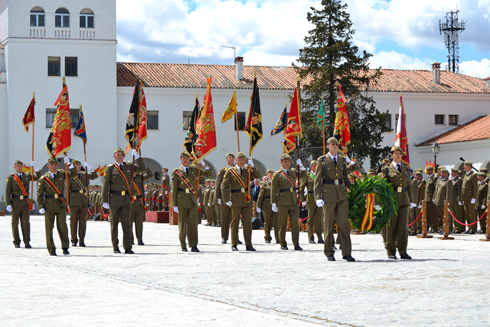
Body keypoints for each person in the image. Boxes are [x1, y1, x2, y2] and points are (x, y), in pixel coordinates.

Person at [314, 137, 355, 262]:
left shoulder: (342, 160)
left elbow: (346, 178)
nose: (335, 146)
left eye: (336, 145)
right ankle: (329, 252)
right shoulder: (322, 160)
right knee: (328, 225)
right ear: (328, 146)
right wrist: (318, 197)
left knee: (344, 225)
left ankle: (346, 252)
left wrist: (355, 190)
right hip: (328, 195)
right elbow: (317, 180)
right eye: (332, 144)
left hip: (341, 195)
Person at [101, 148, 146, 254]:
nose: (119, 156)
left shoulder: (129, 166)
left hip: (126, 199)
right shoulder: (110, 168)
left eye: (121, 154)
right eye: (117, 154)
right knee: (114, 224)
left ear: (124, 156)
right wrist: (105, 201)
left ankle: (128, 247)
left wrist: (138, 157)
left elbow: (143, 169)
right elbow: (105, 185)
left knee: (127, 224)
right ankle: (115, 246)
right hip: (114, 199)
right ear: (114, 156)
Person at [171, 151, 212, 252]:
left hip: (192, 199)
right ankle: (183, 245)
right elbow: (174, 189)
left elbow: (208, 173)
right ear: (180, 159)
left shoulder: (194, 169)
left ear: (189, 159)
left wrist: (203, 163)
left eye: (187, 158)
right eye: (184, 158)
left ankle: (193, 245)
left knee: (193, 224)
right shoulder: (176, 172)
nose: (186, 160)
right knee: (182, 224)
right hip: (181, 200)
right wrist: (174, 204)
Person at [379, 146, 415, 259]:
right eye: (396, 153)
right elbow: (383, 187)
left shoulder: (406, 168)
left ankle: (403, 251)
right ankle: (391, 251)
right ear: (391, 155)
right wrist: (383, 202)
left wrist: (412, 200)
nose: (398, 155)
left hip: (404, 200)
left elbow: (409, 185)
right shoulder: (386, 169)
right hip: (392, 201)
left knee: (403, 228)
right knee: (391, 227)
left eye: (400, 153)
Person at [221, 152, 261, 251]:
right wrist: (227, 200)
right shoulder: (231, 171)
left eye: (243, 159)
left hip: (247, 199)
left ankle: (248, 244)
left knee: (247, 223)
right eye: (240, 159)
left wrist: (253, 166)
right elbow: (223, 186)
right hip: (235, 199)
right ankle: (234, 244)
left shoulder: (248, 169)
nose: (241, 161)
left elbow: (258, 175)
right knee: (235, 222)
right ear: (236, 160)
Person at [37, 157, 77, 256]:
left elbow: (74, 175)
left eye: (55, 165)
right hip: (49, 205)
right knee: (49, 228)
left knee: (63, 226)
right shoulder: (44, 178)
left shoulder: (61, 174)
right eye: (52, 165)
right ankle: (51, 249)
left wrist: (70, 165)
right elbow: (39, 194)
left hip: (60, 204)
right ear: (48, 166)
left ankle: (65, 247)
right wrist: (40, 206)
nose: (54, 167)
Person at [271, 153, 307, 251]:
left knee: (295, 223)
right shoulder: (277, 174)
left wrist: (302, 166)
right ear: (281, 162)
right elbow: (273, 189)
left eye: (289, 162)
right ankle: (282, 243)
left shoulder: (293, 171)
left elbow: (304, 175)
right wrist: (273, 203)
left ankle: (296, 243)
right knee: (282, 223)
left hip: (293, 200)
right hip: (282, 201)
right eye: (285, 162)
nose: (287, 164)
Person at [5, 159, 41, 248]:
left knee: (25, 223)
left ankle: (27, 241)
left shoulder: (27, 176)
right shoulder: (11, 177)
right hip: (15, 202)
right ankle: (16, 241)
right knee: (15, 223)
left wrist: (36, 169)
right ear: (14, 167)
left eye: (20, 165)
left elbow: (38, 178)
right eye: (17, 165)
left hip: (25, 202)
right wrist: (8, 203)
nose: (19, 167)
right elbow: (7, 191)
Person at [68, 159, 98, 247]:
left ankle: (82, 240)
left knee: (83, 222)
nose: (79, 166)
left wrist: (90, 168)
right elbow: (67, 189)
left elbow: (94, 176)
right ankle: (73, 240)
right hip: (74, 201)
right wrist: (67, 202)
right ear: (73, 166)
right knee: (73, 222)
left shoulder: (84, 174)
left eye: (79, 164)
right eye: (77, 164)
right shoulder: (70, 176)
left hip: (83, 201)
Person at [300, 160, 323, 244]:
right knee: (310, 218)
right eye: (313, 165)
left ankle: (320, 237)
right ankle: (310, 237)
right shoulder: (307, 176)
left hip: (319, 198)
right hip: (310, 198)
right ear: (311, 167)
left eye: (316, 165)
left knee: (319, 219)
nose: (315, 166)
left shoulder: (321, 175)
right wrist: (303, 200)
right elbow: (301, 188)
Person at [215, 153, 235, 244]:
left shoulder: (237, 170)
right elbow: (218, 184)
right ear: (226, 159)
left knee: (235, 218)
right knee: (225, 218)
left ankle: (235, 237)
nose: (231, 159)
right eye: (229, 157)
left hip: (235, 196)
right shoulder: (223, 170)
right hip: (224, 197)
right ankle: (224, 236)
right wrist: (218, 197)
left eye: (232, 157)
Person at [131, 167, 153, 245]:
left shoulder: (140, 177)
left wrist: (145, 167)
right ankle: (130, 239)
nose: (136, 172)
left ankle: (139, 239)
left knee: (139, 223)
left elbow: (150, 175)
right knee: (129, 222)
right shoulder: (127, 177)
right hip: (130, 202)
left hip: (139, 202)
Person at [257, 170, 279, 243]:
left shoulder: (277, 183)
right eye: (270, 174)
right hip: (267, 204)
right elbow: (260, 195)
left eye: (273, 174)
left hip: (276, 204)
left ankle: (278, 238)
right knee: (267, 221)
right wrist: (258, 205)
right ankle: (267, 237)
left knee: (276, 222)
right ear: (267, 175)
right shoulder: (264, 184)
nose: (272, 175)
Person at [461, 161, 478, 234]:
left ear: (469, 166)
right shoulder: (466, 175)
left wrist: (474, 197)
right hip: (465, 198)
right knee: (467, 214)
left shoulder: (473, 175)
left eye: (465, 165)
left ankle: (473, 229)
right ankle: (469, 227)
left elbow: (475, 187)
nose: (464, 167)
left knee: (472, 214)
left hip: (471, 198)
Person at [434, 168, 452, 235]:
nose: (441, 174)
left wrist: (447, 201)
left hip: (444, 201)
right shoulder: (440, 180)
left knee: (446, 216)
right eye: (441, 173)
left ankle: (447, 229)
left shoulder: (448, 181)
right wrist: (434, 198)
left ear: (446, 174)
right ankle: (443, 228)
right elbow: (437, 190)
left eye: (443, 173)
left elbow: (448, 192)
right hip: (439, 201)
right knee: (441, 216)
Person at [449, 168, 463, 234]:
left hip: (456, 200)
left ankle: (459, 228)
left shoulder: (459, 180)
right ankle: (455, 228)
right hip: (452, 200)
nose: (452, 173)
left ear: (456, 173)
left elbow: (460, 191)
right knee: (453, 215)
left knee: (458, 215)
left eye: (453, 172)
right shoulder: (451, 180)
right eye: (451, 172)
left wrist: (460, 199)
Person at [425, 166, 438, 232]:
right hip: (427, 198)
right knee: (429, 214)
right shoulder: (429, 178)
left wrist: (434, 197)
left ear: (431, 171)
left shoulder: (434, 178)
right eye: (427, 170)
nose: (427, 172)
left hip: (431, 198)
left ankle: (435, 227)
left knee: (433, 214)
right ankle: (431, 226)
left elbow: (435, 188)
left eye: (429, 170)